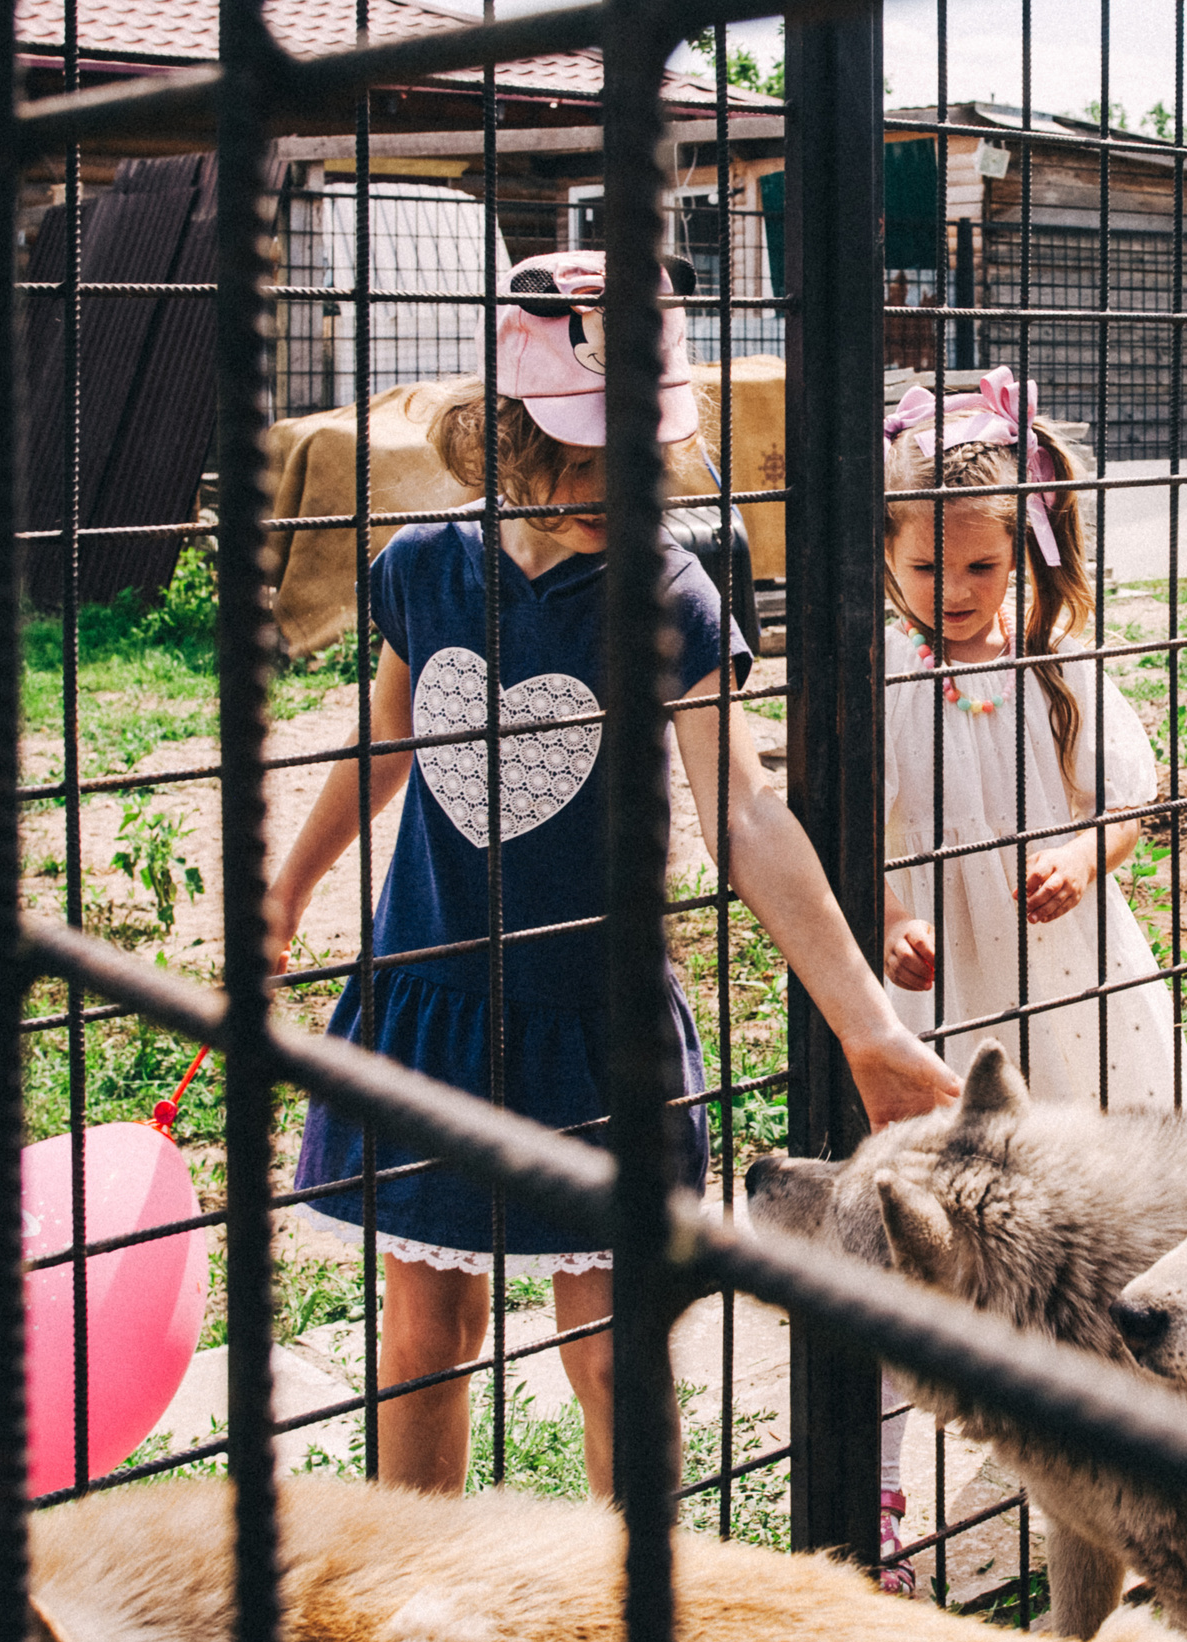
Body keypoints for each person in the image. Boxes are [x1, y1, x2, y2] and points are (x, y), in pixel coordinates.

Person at [268, 251, 959, 1506]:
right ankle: (404, 1604)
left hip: (599, 1032)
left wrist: (867, 1029)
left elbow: (744, 814)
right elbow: (389, 737)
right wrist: (291, 881)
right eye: (582, 462)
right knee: (424, 1345)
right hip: (434, 1002)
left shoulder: (669, 588)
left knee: (617, 1355)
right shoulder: (423, 568)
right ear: (504, 436)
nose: (613, 491)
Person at [869, 369, 1187, 1591]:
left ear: (1022, 552)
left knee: (1107, 1190)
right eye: (924, 571)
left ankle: (1153, 1424)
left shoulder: (1059, 656)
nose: (950, 595)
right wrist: (894, 912)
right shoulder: (879, 675)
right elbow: (852, 831)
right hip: (950, 974)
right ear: (889, 557)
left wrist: (1083, 853)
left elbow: (1128, 795)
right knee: (930, 1218)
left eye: (976, 570)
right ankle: (891, 1489)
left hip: (1071, 973)